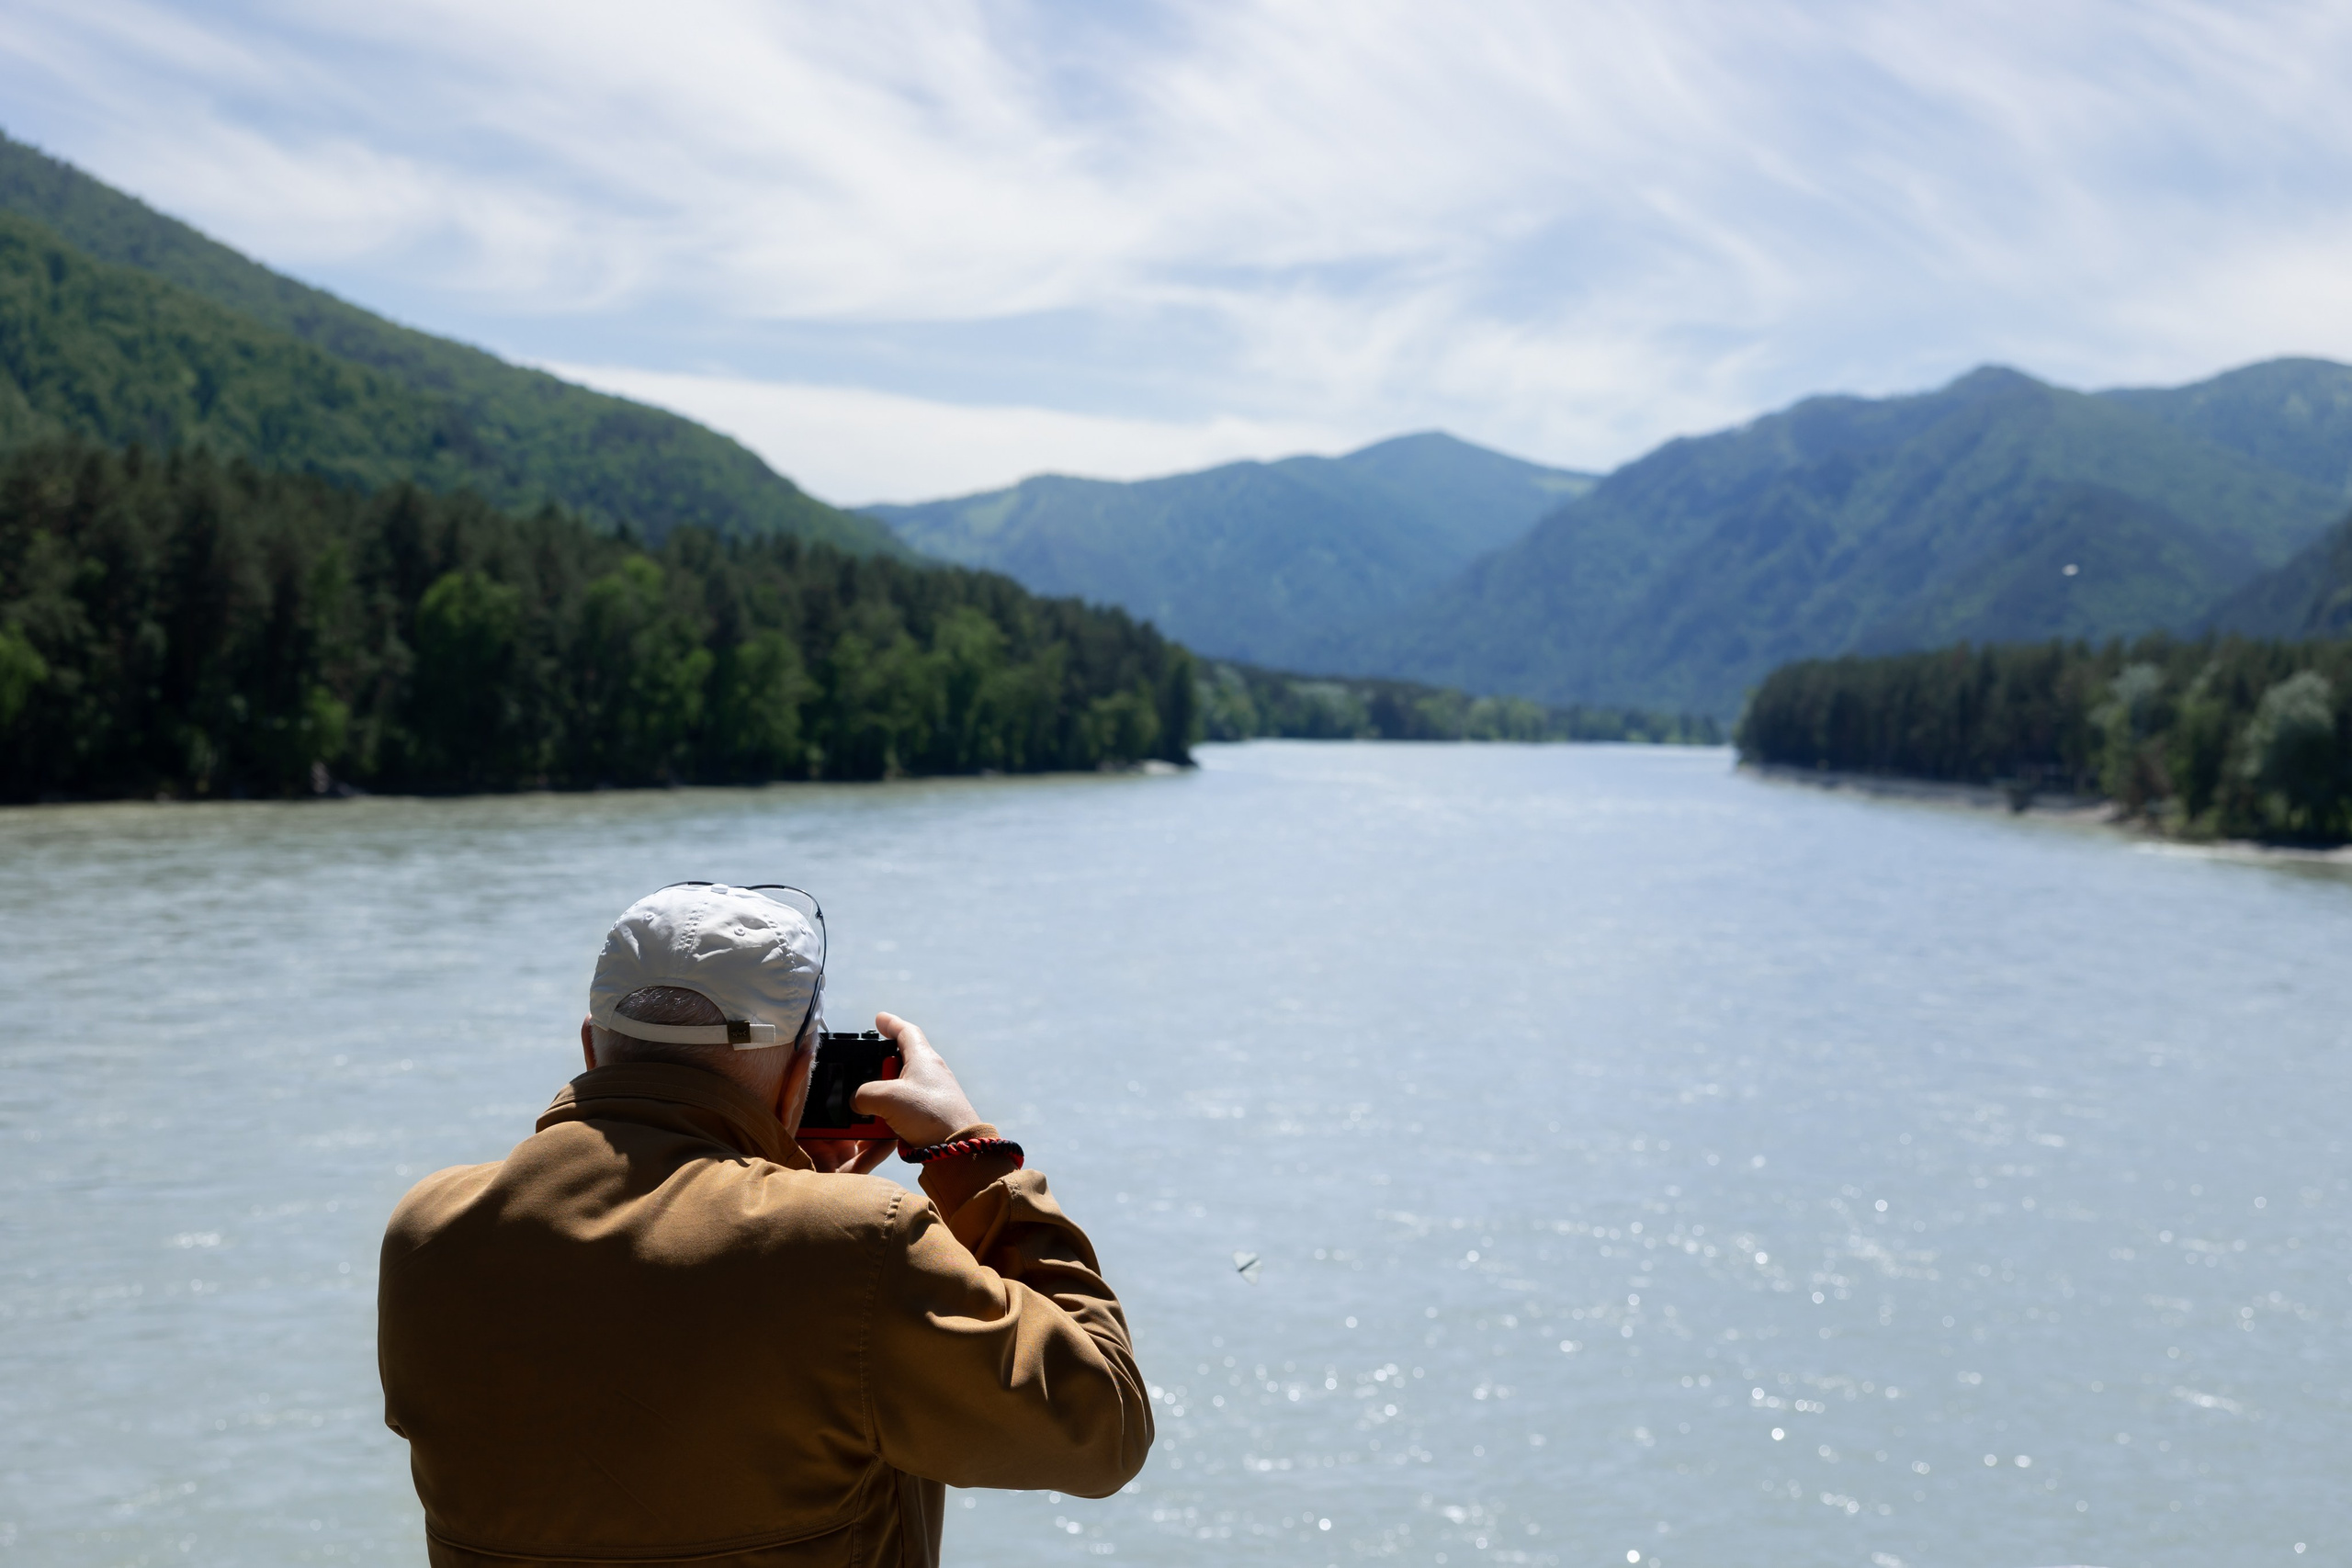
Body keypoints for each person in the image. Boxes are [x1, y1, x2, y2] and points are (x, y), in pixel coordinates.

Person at [377, 883, 1151, 1568]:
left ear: (590, 1045)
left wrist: (799, 1204)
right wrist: (969, 1155)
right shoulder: (860, 1245)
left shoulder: (429, 1229)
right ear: (803, 1065)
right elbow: (1103, 1429)